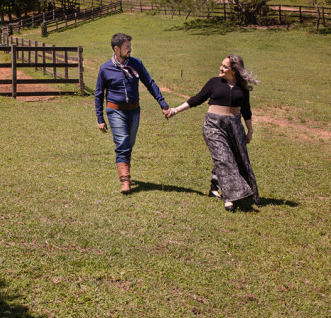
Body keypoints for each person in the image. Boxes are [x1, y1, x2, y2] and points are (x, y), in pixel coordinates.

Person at [167, 54, 260, 211]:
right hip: (213, 125)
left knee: (236, 158)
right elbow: (197, 99)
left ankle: (214, 186)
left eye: (225, 66)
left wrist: (250, 130)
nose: (221, 68)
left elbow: (246, 110)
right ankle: (229, 197)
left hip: (235, 126)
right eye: (221, 65)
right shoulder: (214, 82)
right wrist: (176, 110)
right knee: (224, 158)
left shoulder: (242, 88)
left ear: (234, 70)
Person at [95, 33, 171, 194]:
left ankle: (125, 169)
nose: (130, 49)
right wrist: (100, 118)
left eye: (130, 46)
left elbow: (150, 83)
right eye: (127, 47)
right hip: (115, 110)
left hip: (134, 110)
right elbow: (99, 94)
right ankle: (125, 181)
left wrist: (162, 103)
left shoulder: (136, 64)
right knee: (122, 143)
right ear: (117, 49)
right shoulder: (105, 68)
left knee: (129, 144)